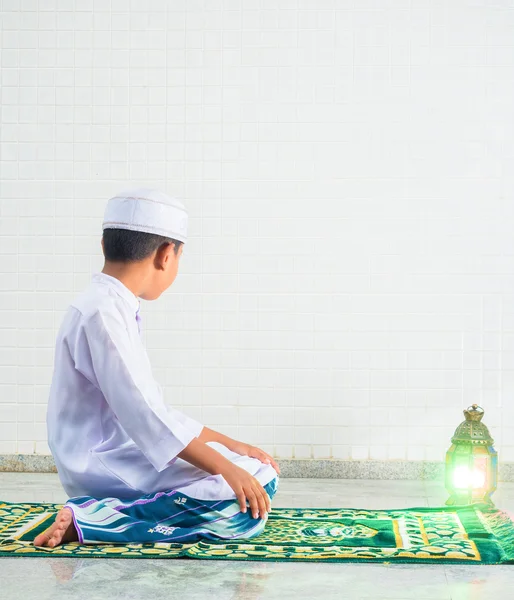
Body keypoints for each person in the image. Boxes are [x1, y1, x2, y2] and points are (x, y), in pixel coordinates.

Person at [34, 188, 280, 548]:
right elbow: (147, 417)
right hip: (104, 463)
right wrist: (226, 467)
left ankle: (110, 512)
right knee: (241, 510)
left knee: (263, 474)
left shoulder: (109, 304)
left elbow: (152, 410)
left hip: (125, 451)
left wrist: (231, 446)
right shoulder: (103, 313)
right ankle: (96, 520)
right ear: (167, 255)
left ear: (104, 245)